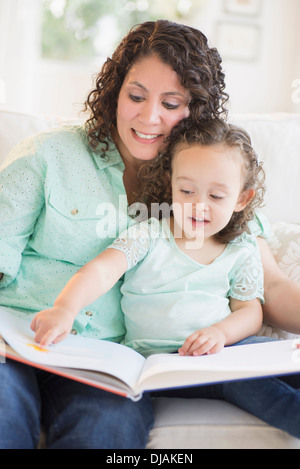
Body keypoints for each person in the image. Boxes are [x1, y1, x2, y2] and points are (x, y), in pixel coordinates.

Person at [0, 18, 299, 449]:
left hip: (104, 362)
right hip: (18, 337)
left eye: (172, 103)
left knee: (107, 430)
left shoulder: (210, 183)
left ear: (195, 109)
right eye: (136, 96)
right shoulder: (48, 155)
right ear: (114, 93)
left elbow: (268, 284)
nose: (149, 117)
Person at [31, 118, 300, 440]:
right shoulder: (147, 235)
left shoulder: (240, 247)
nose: (199, 205)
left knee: (278, 361)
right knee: (262, 389)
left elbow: (249, 310)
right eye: (187, 191)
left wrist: (219, 333)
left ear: (241, 199)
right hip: (160, 365)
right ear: (171, 184)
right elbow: (101, 270)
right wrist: (65, 308)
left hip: (223, 351)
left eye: (216, 196)